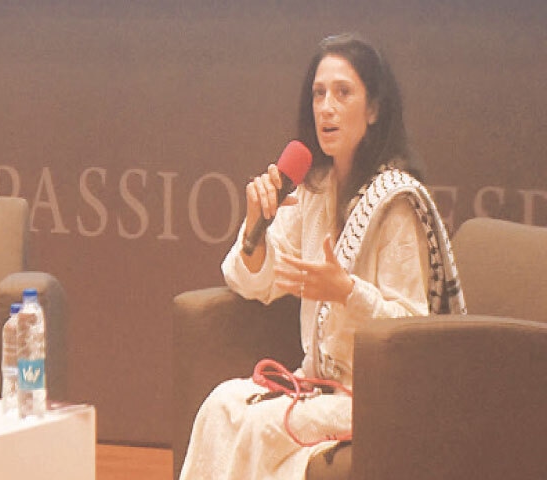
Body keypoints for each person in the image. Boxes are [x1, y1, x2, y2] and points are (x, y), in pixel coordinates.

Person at [179, 33, 466, 479]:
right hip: (314, 388)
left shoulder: (396, 204)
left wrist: (347, 292)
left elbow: (414, 330)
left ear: (373, 110)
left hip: (373, 399)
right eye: (318, 94)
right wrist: (257, 227)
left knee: (262, 427)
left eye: (342, 93)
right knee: (221, 405)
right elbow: (256, 282)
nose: (326, 107)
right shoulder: (313, 191)